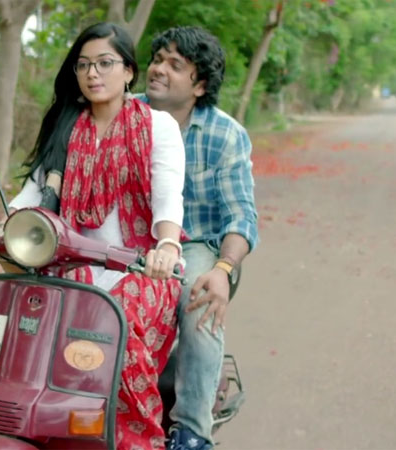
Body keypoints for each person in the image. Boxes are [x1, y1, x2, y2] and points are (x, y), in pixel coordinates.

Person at [0, 22, 186, 450]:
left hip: (141, 266)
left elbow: (167, 198)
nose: (92, 73)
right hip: (72, 263)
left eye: (104, 63)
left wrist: (167, 246)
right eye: (83, 65)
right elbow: (31, 198)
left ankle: (137, 441)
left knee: (112, 329)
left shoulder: (157, 126)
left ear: (128, 71)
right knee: (27, 326)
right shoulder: (66, 128)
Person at [138, 26, 259, 450]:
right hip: (127, 238)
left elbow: (241, 216)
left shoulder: (225, 134)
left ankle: (191, 432)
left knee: (198, 295)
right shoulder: (124, 114)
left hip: (199, 246)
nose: (159, 69)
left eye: (175, 65)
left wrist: (223, 270)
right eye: (157, 60)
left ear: (200, 85)